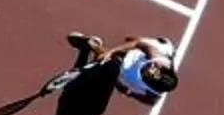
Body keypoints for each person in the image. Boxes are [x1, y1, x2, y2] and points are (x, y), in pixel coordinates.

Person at [40, 30, 180, 105]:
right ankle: (96, 47)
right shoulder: (159, 59)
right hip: (139, 54)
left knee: (110, 65)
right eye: (151, 67)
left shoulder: (154, 92)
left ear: (151, 84)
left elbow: (151, 102)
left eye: (146, 74)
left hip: (126, 72)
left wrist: (129, 93)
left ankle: (92, 46)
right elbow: (139, 43)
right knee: (129, 40)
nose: (148, 69)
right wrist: (111, 51)